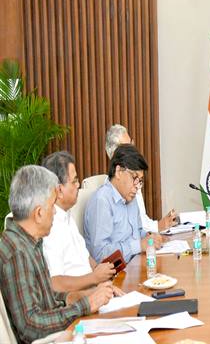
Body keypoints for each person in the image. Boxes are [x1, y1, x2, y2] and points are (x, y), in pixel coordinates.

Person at [0, 166, 115, 343]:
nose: (54, 211)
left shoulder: (30, 241)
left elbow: (45, 298)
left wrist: (75, 297)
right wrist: (86, 305)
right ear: (39, 213)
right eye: (52, 205)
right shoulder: (18, 252)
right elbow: (31, 327)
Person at [41, 151, 117, 292]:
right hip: (79, 299)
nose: (78, 185)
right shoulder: (49, 226)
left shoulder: (67, 215)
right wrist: (94, 278)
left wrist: (101, 275)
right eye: (74, 181)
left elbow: (85, 257)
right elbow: (56, 283)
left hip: (95, 291)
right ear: (59, 190)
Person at [84, 144, 162, 263]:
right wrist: (139, 245)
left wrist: (149, 236)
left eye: (140, 181)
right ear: (118, 171)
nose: (137, 186)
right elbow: (100, 255)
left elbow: (138, 232)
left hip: (136, 264)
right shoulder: (102, 201)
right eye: (134, 178)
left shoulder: (130, 197)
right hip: (116, 272)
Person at [105, 124, 177, 232]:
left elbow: (140, 222)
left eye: (131, 143)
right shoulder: (106, 197)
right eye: (127, 147)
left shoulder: (134, 181)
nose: (133, 149)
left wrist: (158, 226)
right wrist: (157, 227)